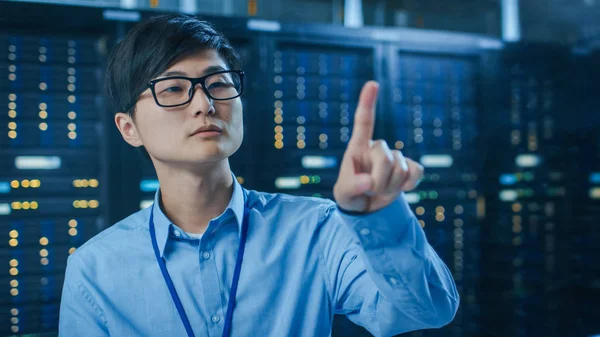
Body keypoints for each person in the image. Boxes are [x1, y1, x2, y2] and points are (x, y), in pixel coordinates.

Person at [58, 14, 458, 337]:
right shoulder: (95, 269)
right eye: (174, 89)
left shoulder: (318, 229)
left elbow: (427, 311)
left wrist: (378, 218)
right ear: (129, 128)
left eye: (218, 83)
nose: (205, 103)